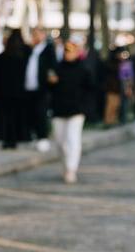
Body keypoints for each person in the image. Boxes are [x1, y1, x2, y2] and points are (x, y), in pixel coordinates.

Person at [48, 36, 92, 182]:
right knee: (60, 142)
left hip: (76, 110)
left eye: (71, 51)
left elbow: (90, 89)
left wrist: (85, 107)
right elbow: (49, 88)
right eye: (66, 51)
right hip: (59, 109)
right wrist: (51, 83)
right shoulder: (57, 67)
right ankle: (66, 165)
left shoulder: (83, 69)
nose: (68, 54)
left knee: (73, 139)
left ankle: (71, 168)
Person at [0, 29, 28, 149]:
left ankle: (7, 139)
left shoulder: (2, 58)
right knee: (15, 117)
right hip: (18, 93)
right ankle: (14, 138)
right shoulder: (24, 56)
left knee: (6, 117)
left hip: (4, 94)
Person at [24, 25, 56, 151]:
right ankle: (34, 135)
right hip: (29, 86)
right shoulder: (30, 50)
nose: (35, 37)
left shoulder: (48, 49)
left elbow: (52, 67)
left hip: (43, 88)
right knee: (31, 112)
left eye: (37, 34)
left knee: (41, 112)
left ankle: (43, 137)